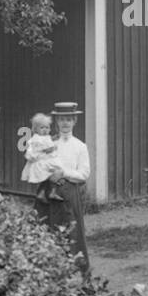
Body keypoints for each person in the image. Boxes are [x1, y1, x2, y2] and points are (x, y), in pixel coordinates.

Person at [33, 102, 91, 276]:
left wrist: (64, 173)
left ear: (74, 122)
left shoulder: (80, 146)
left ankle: (75, 271)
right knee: (47, 228)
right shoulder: (48, 143)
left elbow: (84, 173)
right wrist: (47, 173)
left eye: (69, 120)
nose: (65, 123)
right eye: (62, 120)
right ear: (56, 121)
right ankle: (48, 270)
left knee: (72, 231)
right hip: (48, 193)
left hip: (68, 193)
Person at [21, 112, 63, 204]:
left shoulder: (45, 137)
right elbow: (44, 149)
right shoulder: (36, 139)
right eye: (42, 128)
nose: (45, 130)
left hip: (46, 161)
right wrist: (52, 148)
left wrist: (54, 138)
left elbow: (48, 140)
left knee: (52, 175)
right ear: (36, 129)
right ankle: (49, 192)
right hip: (41, 162)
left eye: (47, 127)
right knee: (50, 175)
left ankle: (46, 192)